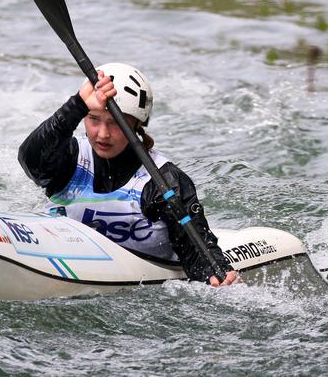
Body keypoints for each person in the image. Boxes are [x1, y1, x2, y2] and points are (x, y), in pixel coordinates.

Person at [18, 62, 237, 286]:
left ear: (137, 124)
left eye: (114, 123)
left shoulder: (162, 181)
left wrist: (215, 273)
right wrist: (77, 105)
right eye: (93, 119)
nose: (102, 134)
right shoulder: (70, 159)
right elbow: (30, 161)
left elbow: (194, 249)